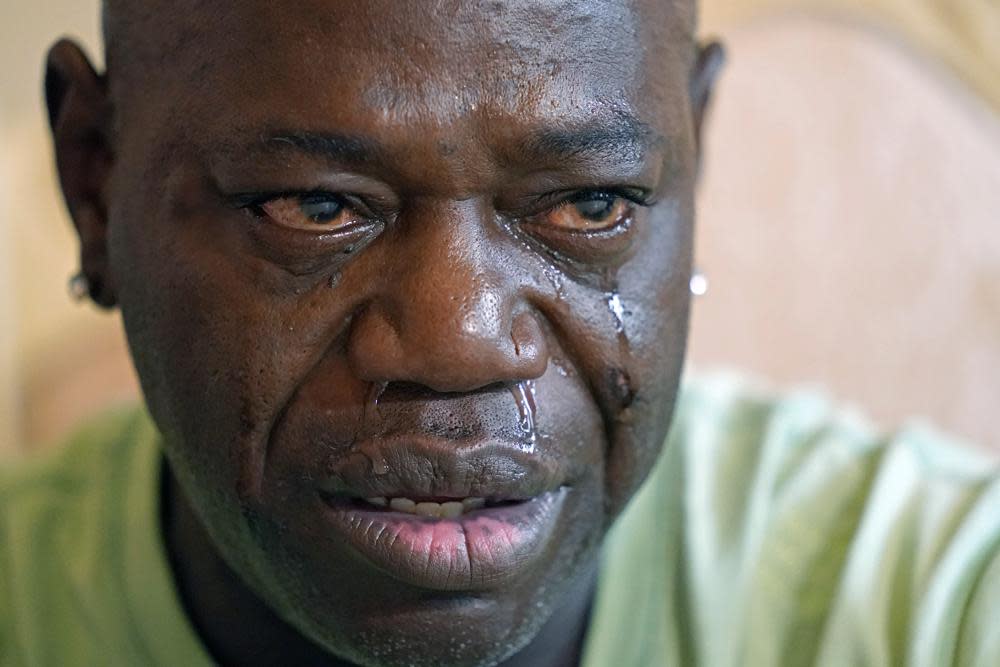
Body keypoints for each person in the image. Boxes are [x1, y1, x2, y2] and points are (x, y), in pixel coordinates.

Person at [3, 1, 999, 665]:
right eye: (312, 207)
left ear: (696, 155)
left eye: (591, 203)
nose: (458, 344)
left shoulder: (928, 601)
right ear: (95, 184)